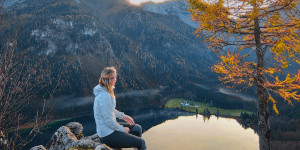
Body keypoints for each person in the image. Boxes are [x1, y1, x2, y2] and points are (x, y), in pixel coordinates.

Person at [93, 66, 147, 150]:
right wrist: (122, 129)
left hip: (109, 130)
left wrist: (123, 116)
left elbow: (110, 110)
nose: (116, 79)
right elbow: (108, 120)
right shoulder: (105, 96)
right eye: (115, 77)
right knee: (141, 142)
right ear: (110, 79)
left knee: (137, 128)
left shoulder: (105, 91)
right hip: (107, 135)